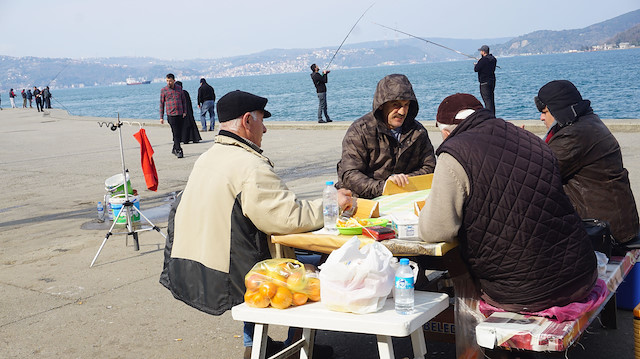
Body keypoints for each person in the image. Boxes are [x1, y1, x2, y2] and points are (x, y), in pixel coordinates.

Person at [160, 90, 351, 358]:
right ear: (248, 120)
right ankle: (296, 346)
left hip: (198, 264)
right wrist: (332, 204)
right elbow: (288, 218)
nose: (266, 128)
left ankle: (254, 344)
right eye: (262, 120)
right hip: (231, 272)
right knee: (313, 266)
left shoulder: (208, 157)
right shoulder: (249, 165)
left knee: (259, 253)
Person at [418, 93, 597, 313]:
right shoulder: (529, 138)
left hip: (525, 292)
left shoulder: (454, 153)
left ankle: (469, 334)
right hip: (581, 274)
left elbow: (435, 231)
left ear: (446, 133)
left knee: (457, 259)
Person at [535, 80, 639, 243]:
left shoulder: (573, 136)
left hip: (603, 231)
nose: (541, 118)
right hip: (617, 223)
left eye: (545, 111)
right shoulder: (588, 122)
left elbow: (538, 173)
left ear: (558, 110)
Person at [336, 74, 436, 199]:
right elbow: (350, 174)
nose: (402, 111)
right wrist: (385, 187)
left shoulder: (418, 132)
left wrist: (406, 181)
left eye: (406, 105)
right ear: (382, 105)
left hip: (403, 197)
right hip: (361, 199)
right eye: (396, 105)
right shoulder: (360, 130)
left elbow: (430, 166)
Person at [159, 73, 187, 158]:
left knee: (179, 132)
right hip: (171, 114)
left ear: (174, 81)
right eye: (167, 81)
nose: (168, 82)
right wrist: (161, 117)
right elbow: (161, 104)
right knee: (175, 132)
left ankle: (174, 148)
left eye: (170, 81)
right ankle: (179, 150)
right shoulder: (164, 90)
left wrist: (185, 111)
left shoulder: (179, 89)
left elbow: (183, 100)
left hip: (180, 113)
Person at [474, 45, 497, 114]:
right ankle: (493, 115)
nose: (480, 52)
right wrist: (480, 62)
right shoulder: (493, 59)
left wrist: (477, 64)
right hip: (492, 81)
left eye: (481, 51)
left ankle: (489, 117)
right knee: (491, 99)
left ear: (483, 52)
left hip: (484, 83)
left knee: (487, 100)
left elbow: (476, 69)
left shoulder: (483, 60)